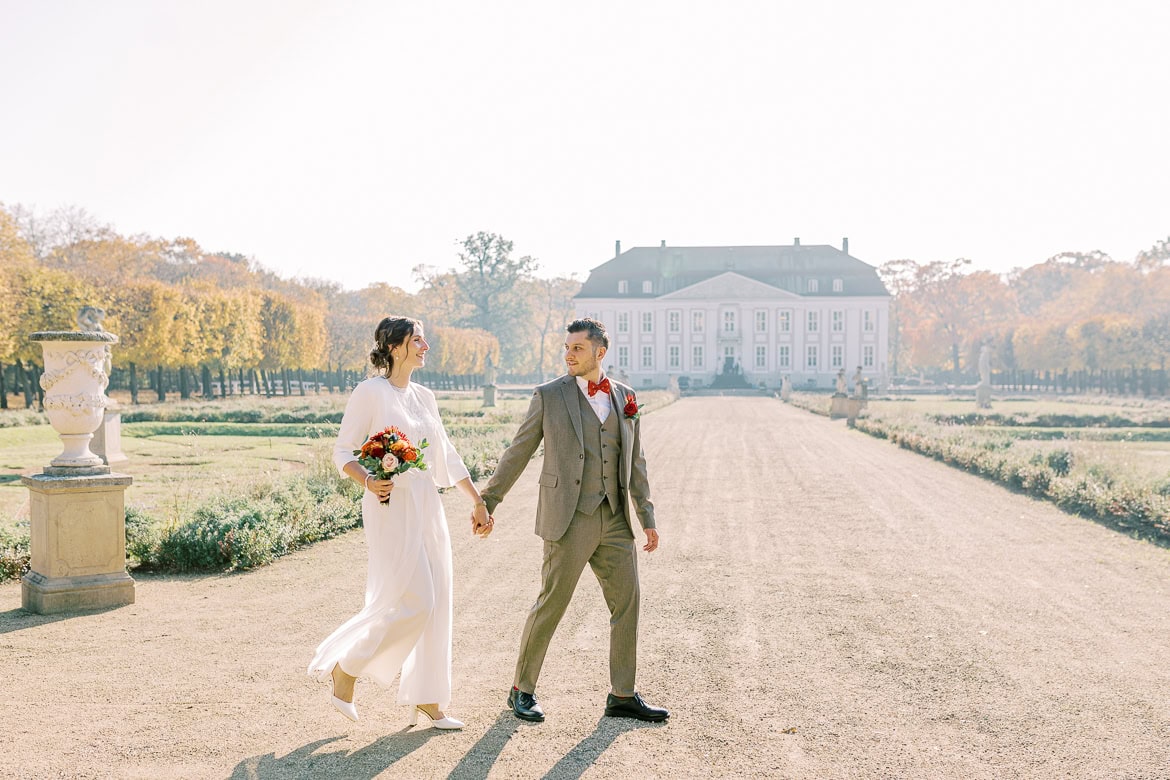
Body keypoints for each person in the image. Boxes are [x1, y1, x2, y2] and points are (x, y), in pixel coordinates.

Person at [479, 318, 668, 723]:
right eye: (566, 347)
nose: (568, 354)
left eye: (577, 348)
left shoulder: (626, 398)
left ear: (600, 353)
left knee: (627, 605)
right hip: (568, 518)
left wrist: (646, 516)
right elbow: (518, 451)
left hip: (615, 519)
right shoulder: (549, 396)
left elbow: (635, 462)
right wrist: (487, 501)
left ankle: (622, 694)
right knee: (552, 603)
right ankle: (521, 690)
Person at [308, 315, 492, 729]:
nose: (425, 346)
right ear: (394, 347)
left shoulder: (425, 396)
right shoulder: (370, 392)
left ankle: (428, 700)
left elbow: (445, 454)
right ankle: (346, 669)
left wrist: (477, 502)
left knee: (438, 600)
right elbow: (343, 453)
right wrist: (370, 480)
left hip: (428, 504)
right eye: (417, 339)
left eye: (424, 339)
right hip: (390, 506)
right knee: (415, 601)